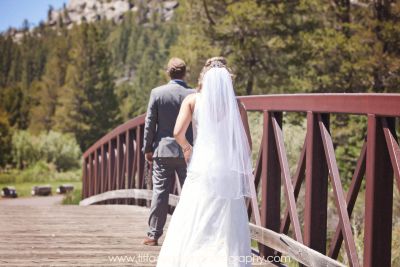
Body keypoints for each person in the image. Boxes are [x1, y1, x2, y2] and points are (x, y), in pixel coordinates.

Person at [156, 57, 259, 267]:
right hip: (226, 168)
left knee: (197, 211)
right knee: (227, 216)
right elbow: (247, 144)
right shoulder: (237, 106)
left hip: (202, 165)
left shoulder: (193, 100)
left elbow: (177, 132)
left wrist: (187, 148)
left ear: (205, 78)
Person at [142, 57, 196, 246]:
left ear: (168, 72)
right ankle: (192, 234)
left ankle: (153, 235)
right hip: (187, 151)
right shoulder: (194, 94)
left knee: (160, 193)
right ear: (185, 73)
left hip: (163, 151)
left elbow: (150, 124)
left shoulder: (157, 93)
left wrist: (147, 148)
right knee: (191, 193)